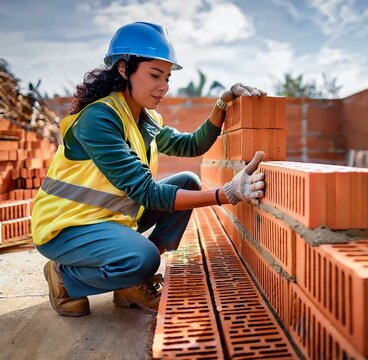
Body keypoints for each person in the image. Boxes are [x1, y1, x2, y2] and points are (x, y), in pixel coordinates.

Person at [31, 22, 266, 317]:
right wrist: (226, 193)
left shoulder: (145, 118)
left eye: (167, 77)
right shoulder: (98, 119)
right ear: (123, 69)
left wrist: (222, 104)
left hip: (108, 220)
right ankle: (65, 277)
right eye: (155, 75)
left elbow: (191, 145)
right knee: (142, 259)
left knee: (188, 182)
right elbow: (147, 192)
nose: (164, 87)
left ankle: (130, 283)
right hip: (66, 227)